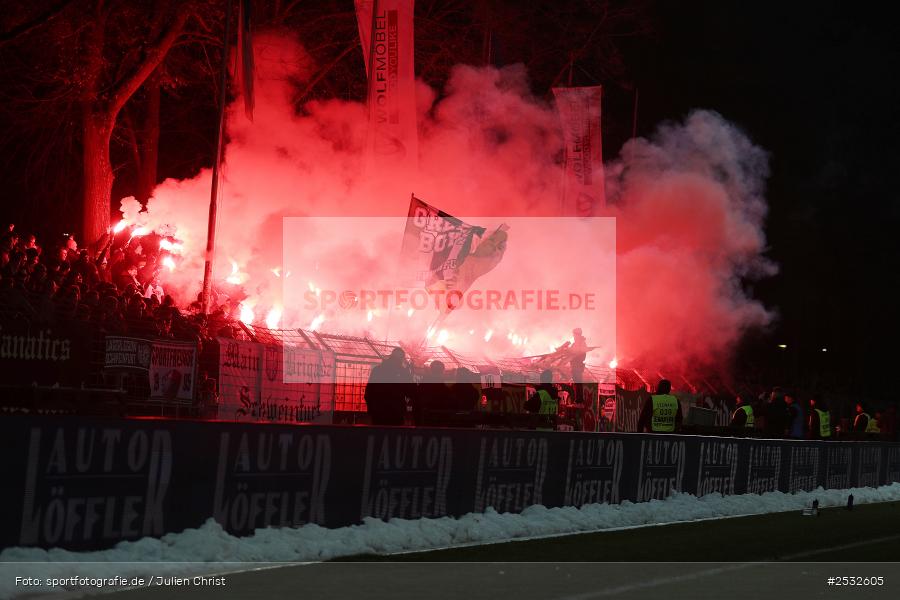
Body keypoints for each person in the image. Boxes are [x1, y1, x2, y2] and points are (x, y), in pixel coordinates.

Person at [364, 348, 412, 426]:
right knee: (394, 436)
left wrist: (371, 409)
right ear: (401, 359)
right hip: (396, 412)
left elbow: (369, 392)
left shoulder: (377, 370)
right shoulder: (403, 373)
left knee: (379, 435)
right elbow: (410, 391)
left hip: (379, 412)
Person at [415, 360, 452, 425]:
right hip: (438, 420)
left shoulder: (423, 384)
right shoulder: (444, 388)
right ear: (442, 371)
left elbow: (417, 400)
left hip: (424, 419)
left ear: (431, 369)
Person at [569, 328, 588, 404]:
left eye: (574, 334)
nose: (573, 336)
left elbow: (582, 355)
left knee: (578, 383)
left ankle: (579, 400)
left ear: (577, 334)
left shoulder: (581, 343)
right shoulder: (576, 343)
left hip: (577, 366)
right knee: (577, 383)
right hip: (575, 366)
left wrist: (573, 357)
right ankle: (578, 399)